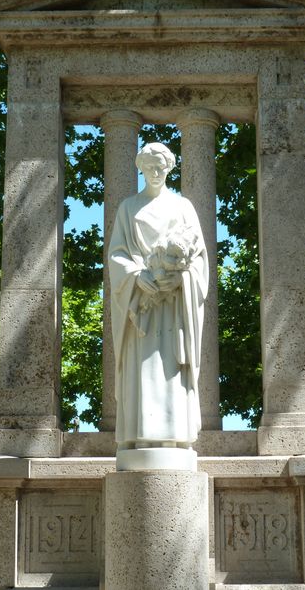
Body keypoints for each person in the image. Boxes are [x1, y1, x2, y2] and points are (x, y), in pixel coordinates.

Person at [108, 142, 208, 452]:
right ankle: (141, 436)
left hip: (174, 306)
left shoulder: (183, 207)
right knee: (142, 371)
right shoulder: (128, 207)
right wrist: (138, 277)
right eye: (149, 166)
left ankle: (174, 438)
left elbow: (200, 256)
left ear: (169, 168)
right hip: (142, 303)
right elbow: (117, 255)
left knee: (171, 370)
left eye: (160, 166)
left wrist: (180, 277)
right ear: (139, 168)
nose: (155, 171)